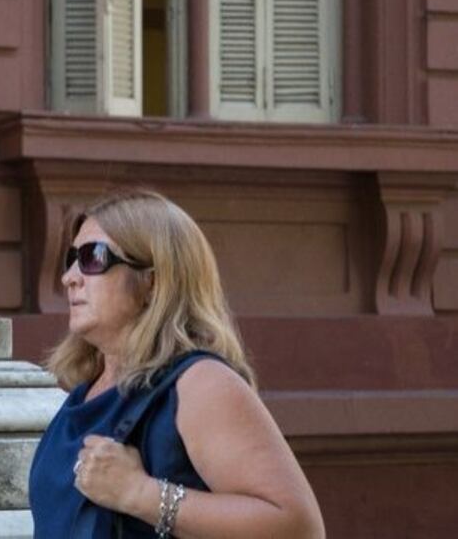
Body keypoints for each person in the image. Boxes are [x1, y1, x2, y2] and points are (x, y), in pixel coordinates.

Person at [28, 190, 325, 538]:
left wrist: (140, 493)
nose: (70, 277)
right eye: (71, 258)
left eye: (93, 257)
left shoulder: (201, 383)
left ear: (153, 281)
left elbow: (297, 526)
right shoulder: (85, 393)